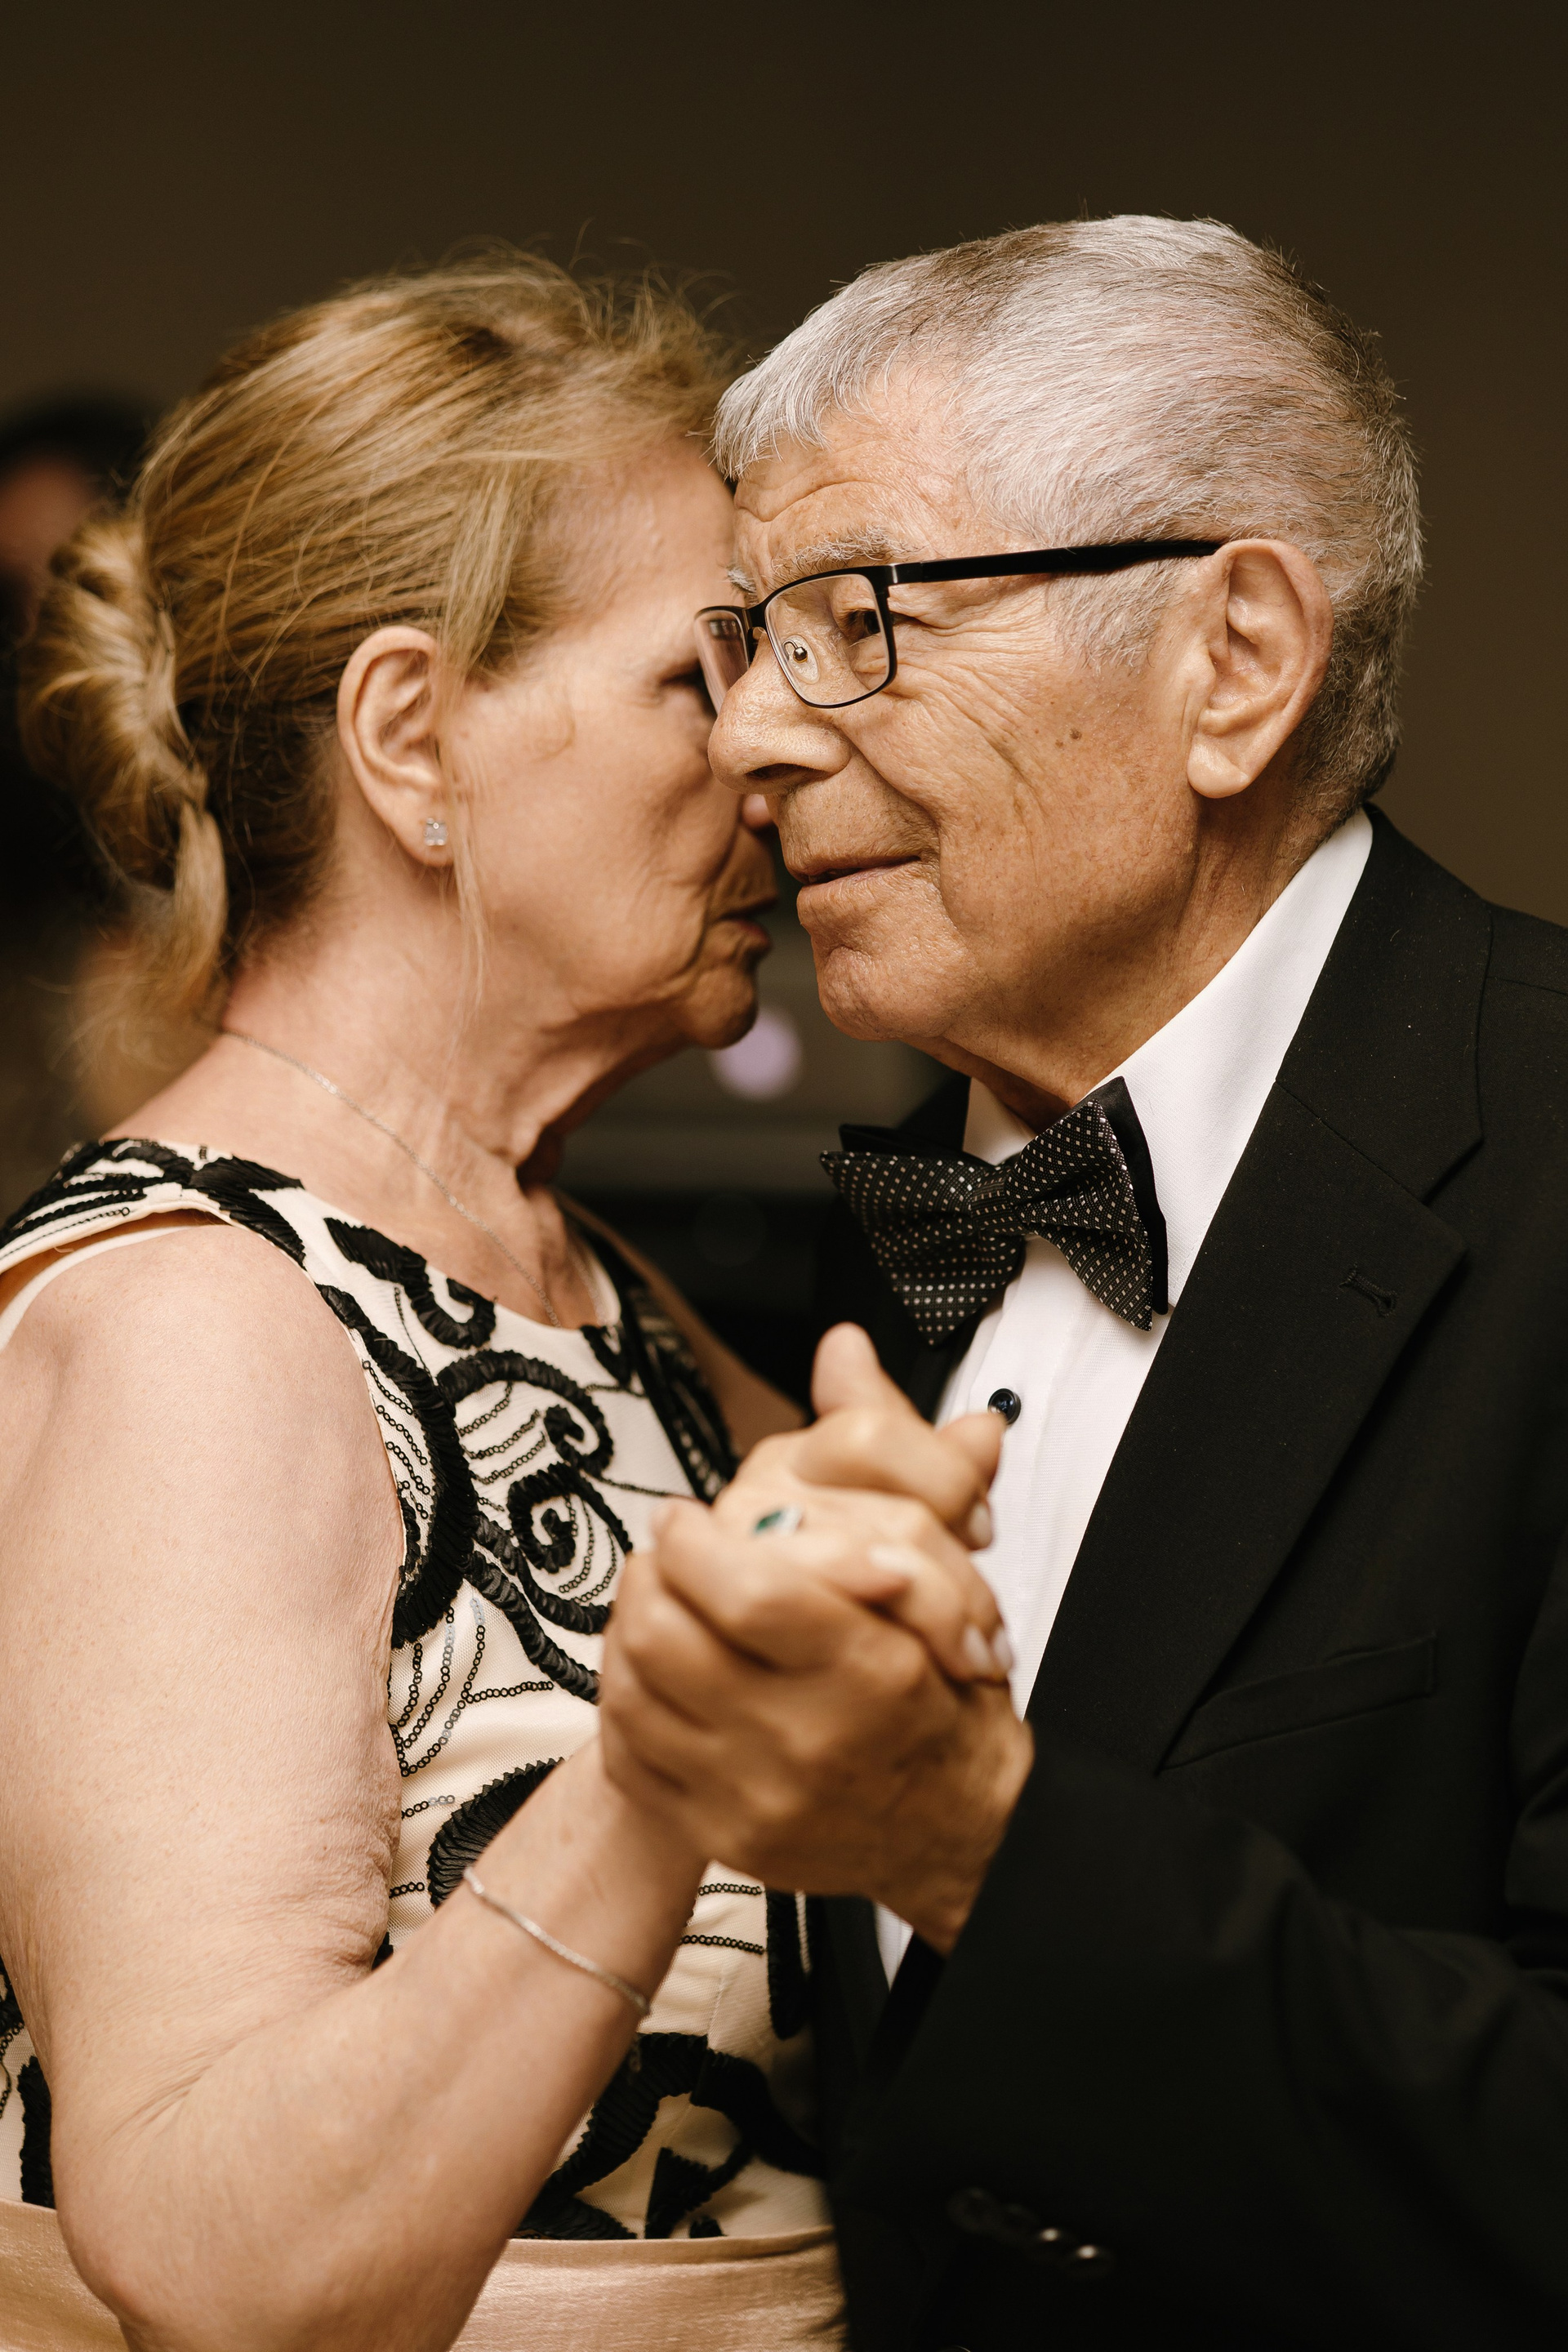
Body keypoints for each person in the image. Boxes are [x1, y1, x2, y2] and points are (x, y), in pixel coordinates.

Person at [0, 256, 1008, 2352]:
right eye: (701, 669)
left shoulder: (606, 1298)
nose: (773, 743)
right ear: (410, 739)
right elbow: (217, 2255)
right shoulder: (197, 1327)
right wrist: (665, 1768)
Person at [599, 216, 1568, 2348]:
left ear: (1235, 660)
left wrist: (977, 1845)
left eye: (852, 622)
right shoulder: (890, 1237)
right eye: (750, 644)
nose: (750, 738)